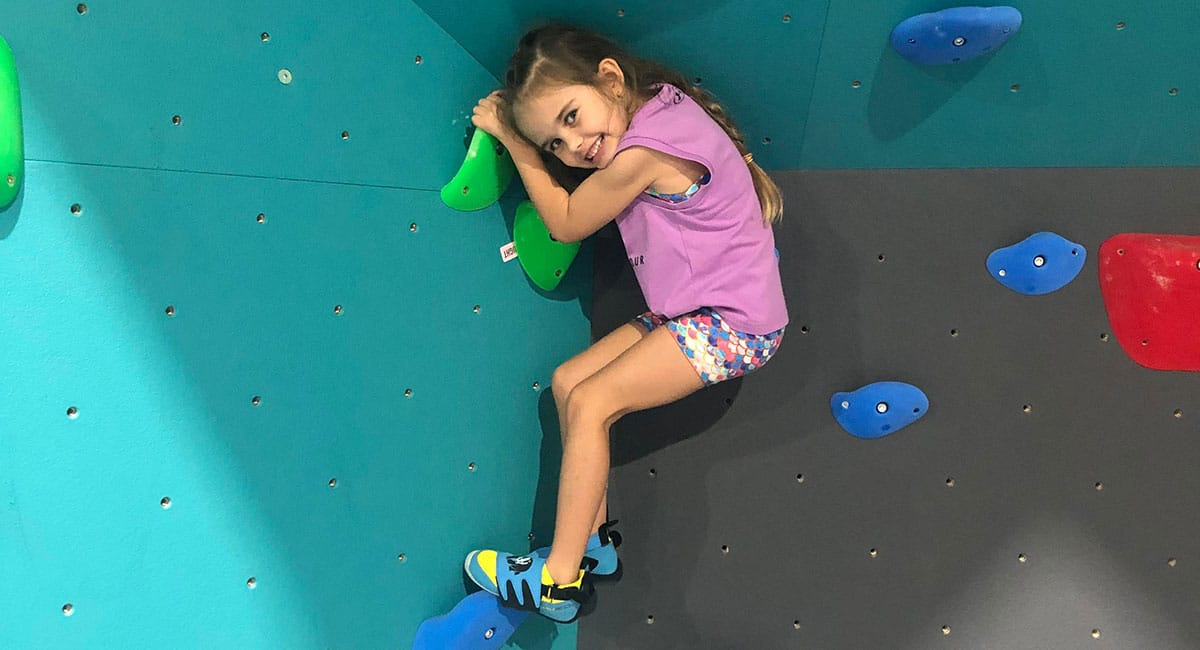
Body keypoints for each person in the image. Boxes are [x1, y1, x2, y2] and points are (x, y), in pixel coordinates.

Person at [463, 22, 789, 623]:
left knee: (591, 405)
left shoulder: (642, 155)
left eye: (570, 117)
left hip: (733, 322)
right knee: (568, 384)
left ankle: (557, 584)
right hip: (694, 308)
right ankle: (591, 547)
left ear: (609, 78)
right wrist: (539, 130)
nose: (573, 145)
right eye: (554, 143)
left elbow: (563, 222)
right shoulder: (659, 106)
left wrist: (516, 140)